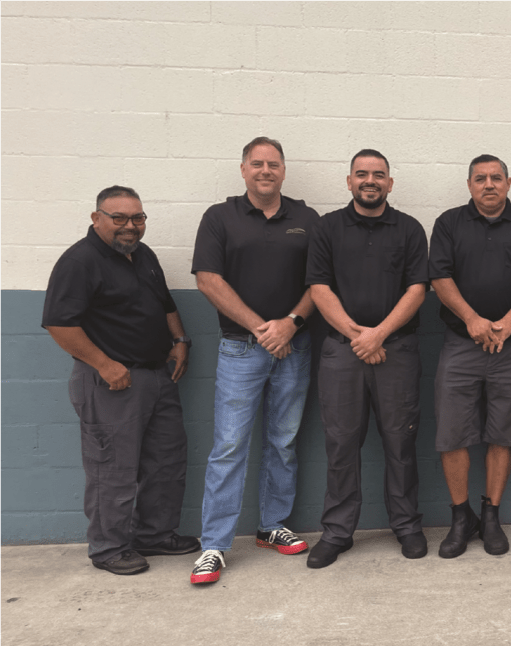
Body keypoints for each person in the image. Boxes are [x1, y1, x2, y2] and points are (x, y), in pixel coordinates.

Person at [42, 185, 198, 575]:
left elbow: (165, 303)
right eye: (119, 218)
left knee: (166, 462)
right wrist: (105, 364)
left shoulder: (143, 255)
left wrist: (180, 340)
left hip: (157, 376)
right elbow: (59, 324)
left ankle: (155, 535)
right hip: (112, 383)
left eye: (138, 217)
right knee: (113, 469)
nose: (130, 225)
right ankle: (109, 547)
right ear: (97, 219)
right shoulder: (79, 261)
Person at [189, 137, 319, 584]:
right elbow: (208, 280)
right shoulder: (219, 217)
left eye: (274, 164)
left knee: (283, 442)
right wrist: (265, 330)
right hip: (240, 349)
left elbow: (320, 282)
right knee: (229, 445)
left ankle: (272, 526)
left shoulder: (306, 219)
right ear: (243, 169)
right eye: (257, 163)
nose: (266, 170)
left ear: (283, 171)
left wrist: (291, 325)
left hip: (294, 348)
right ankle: (213, 545)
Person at [305, 149, 429, 567]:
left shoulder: (410, 229)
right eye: (361, 174)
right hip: (343, 353)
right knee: (341, 444)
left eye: (378, 174)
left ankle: (407, 525)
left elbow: (417, 289)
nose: (370, 181)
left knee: (400, 441)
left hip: (397, 351)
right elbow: (319, 288)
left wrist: (379, 335)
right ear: (349, 181)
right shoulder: (327, 228)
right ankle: (337, 532)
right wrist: (359, 336)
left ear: (390, 183)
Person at [429, 154, 511, 558]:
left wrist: (509, 322)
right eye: (480, 178)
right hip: (461, 343)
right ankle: (461, 518)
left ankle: (492, 515)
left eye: (496, 178)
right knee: (452, 433)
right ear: (469, 185)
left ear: (508, 183)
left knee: (504, 431)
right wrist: (473, 320)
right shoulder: (449, 223)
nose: (489, 185)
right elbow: (439, 277)